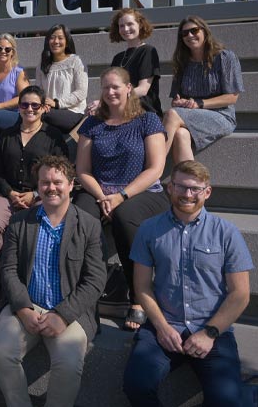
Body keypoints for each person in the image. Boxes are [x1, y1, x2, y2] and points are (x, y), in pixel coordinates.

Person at [123, 160, 253, 407]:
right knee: (136, 385)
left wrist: (210, 332)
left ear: (207, 191)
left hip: (212, 327)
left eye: (195, 189)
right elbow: (141, 287)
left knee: (227, 401)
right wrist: (161, 327)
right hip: (165, 324)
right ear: (170, 188)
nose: (187, 194)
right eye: (181, 187)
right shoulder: (149, 230)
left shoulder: (226, 232)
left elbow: (240, 294)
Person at [0, 155, 107, 407]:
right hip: (26, 306)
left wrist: (62, 315)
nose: (51, 187)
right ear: (38, 186)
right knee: (2, 353)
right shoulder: (20, 221)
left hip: (69, 311)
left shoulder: (89, 225)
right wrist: (22, 309)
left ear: (71, 184)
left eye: (57, 182)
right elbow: (8, 269)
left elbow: (96, 279)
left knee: (68, 364)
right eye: (45, 182)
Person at [74, 67, 169, 331]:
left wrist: (121, 196)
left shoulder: (148, 120)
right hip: (99, 191)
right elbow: (82, 171)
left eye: (116, 86)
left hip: (143, 192)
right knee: (81, 219)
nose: (110, 92)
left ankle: (138, 298)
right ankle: (85, 295)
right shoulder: (93, 124)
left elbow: (155, 169)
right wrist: (104, 196)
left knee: (125, 219)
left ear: (129, 88)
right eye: (105, 87)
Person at [0, 85, 68, 281]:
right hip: (9, 194)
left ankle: (32, 278)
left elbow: (63, 172)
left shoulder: (53, 137)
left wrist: (36, 194)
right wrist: (10, 193)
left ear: (43, 108)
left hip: (43, 195)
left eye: (35, 105)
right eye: (24, 105)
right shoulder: (7, 136)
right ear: (19, 107)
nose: (29, 109)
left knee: (38, 224)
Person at [163, 15, 244, 164]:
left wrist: (199, 103)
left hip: (221, 115)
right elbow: (175, 101)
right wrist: (180, 102)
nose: (190, 35)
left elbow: (232, 97)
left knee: (171, 115)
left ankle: (155, 168)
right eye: (185, 33)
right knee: (181, 134)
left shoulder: (225, 57)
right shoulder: (182, 62)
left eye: (194, 30)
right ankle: (190, 182)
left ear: (205, 32)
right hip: (191, 114)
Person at [87, 8, 162, 116]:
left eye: (130, 24)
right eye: (121, 26)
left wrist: (103, 103)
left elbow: (143, 90)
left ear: (140, 25)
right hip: (119, 110)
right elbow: (109, 88)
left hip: (143, 111)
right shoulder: (118, 58)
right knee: (89, 117)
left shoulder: (148, 51)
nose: (126, 29)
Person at [39, 24, 88, 133]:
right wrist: (44, 103)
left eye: (60, 38)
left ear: (67, 41)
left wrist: (56, 103)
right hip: (49, 112)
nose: (56, 41)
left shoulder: (76, 61)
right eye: (52, 37)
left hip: (73, 113)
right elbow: (39, 92)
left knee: (36, 115)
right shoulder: (42, 65)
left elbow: (81, 92)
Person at [0, 33, 30, 132]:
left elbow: (25, 98)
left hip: (13, 116)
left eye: (7, 49)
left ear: (13, 52)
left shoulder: (19, 72)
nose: (3, 51)